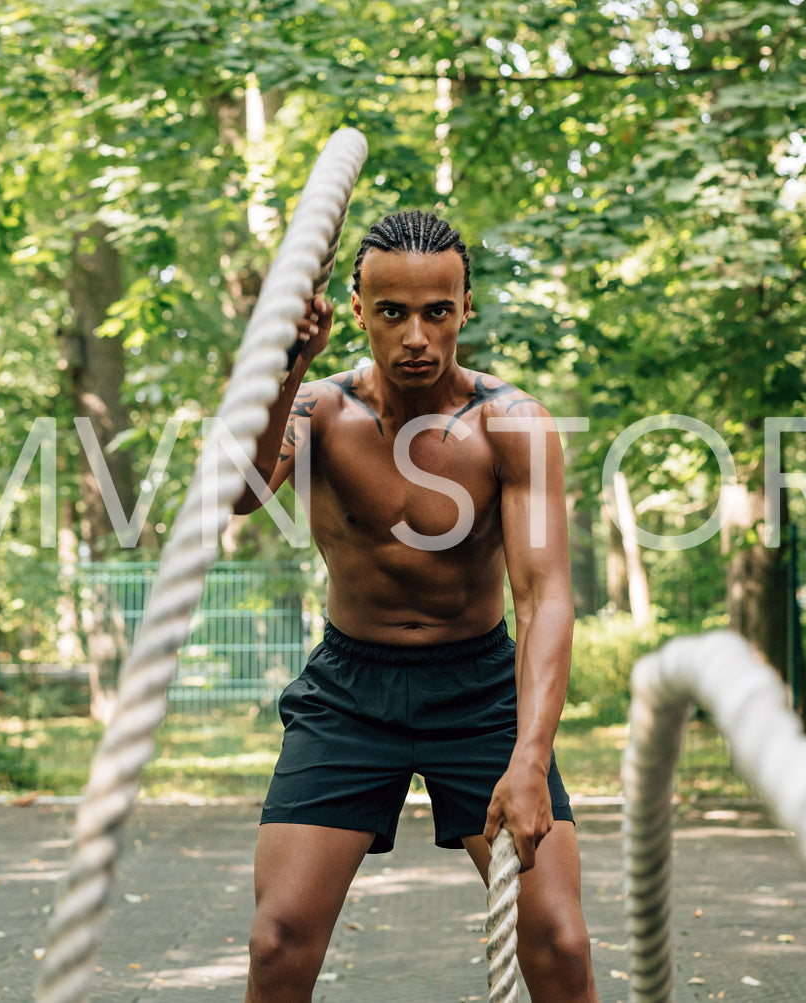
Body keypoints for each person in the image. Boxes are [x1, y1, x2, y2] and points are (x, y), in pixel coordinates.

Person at [233, 209, 597, 1002]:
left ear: (466, 307)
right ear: (356, 310)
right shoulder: (320, 411)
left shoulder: (513, 424)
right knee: (277, 938)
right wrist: (288, 364)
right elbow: (238, 491)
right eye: (391, 312)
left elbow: (543, 598)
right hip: (349, 693)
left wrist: (529, 760)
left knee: (561, 943)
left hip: (479, 692)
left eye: (436, 311)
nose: (415, 338)